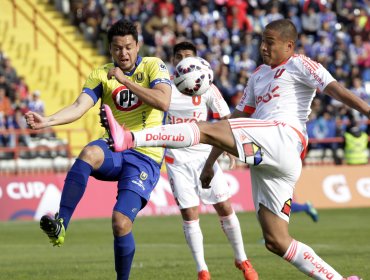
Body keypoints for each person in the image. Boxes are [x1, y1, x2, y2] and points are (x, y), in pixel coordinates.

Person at [100, 19, 368, 280]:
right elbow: (234, 119)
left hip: (284, 136)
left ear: (289, 46)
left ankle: (131, 138)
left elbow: (335, 89)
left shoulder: (299, 63)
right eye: (262, 41)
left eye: (270, 42)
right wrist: (210, 163)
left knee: (202, 127)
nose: (263, 47)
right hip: (268, 158)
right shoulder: (258, 76)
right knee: (276, 240)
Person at [25, 19, 171, 280]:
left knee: (120, 223)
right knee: (89, 153)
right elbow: (79, 106)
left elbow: (163, 101)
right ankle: (61, 225)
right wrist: (46, 121)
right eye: (117, 48)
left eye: (128, 47)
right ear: (110, 49)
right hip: (114, 147)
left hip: (145, 154)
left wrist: (126, 81)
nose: (123, 53)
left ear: (137, 46)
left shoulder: (153, 66)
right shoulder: (101, 74)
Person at [166, 41, 257, 280]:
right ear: (174, 61)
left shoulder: (207, 86)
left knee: (225, 206)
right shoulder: (164, 87)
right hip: (176, 158)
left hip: (203, 155)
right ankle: (202, 270)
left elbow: (227, 119)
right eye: (179, 56)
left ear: (196, 60)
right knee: (189, 213)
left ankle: (242, 260)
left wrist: (229, 145)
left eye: (188, 56)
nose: (183, 60)